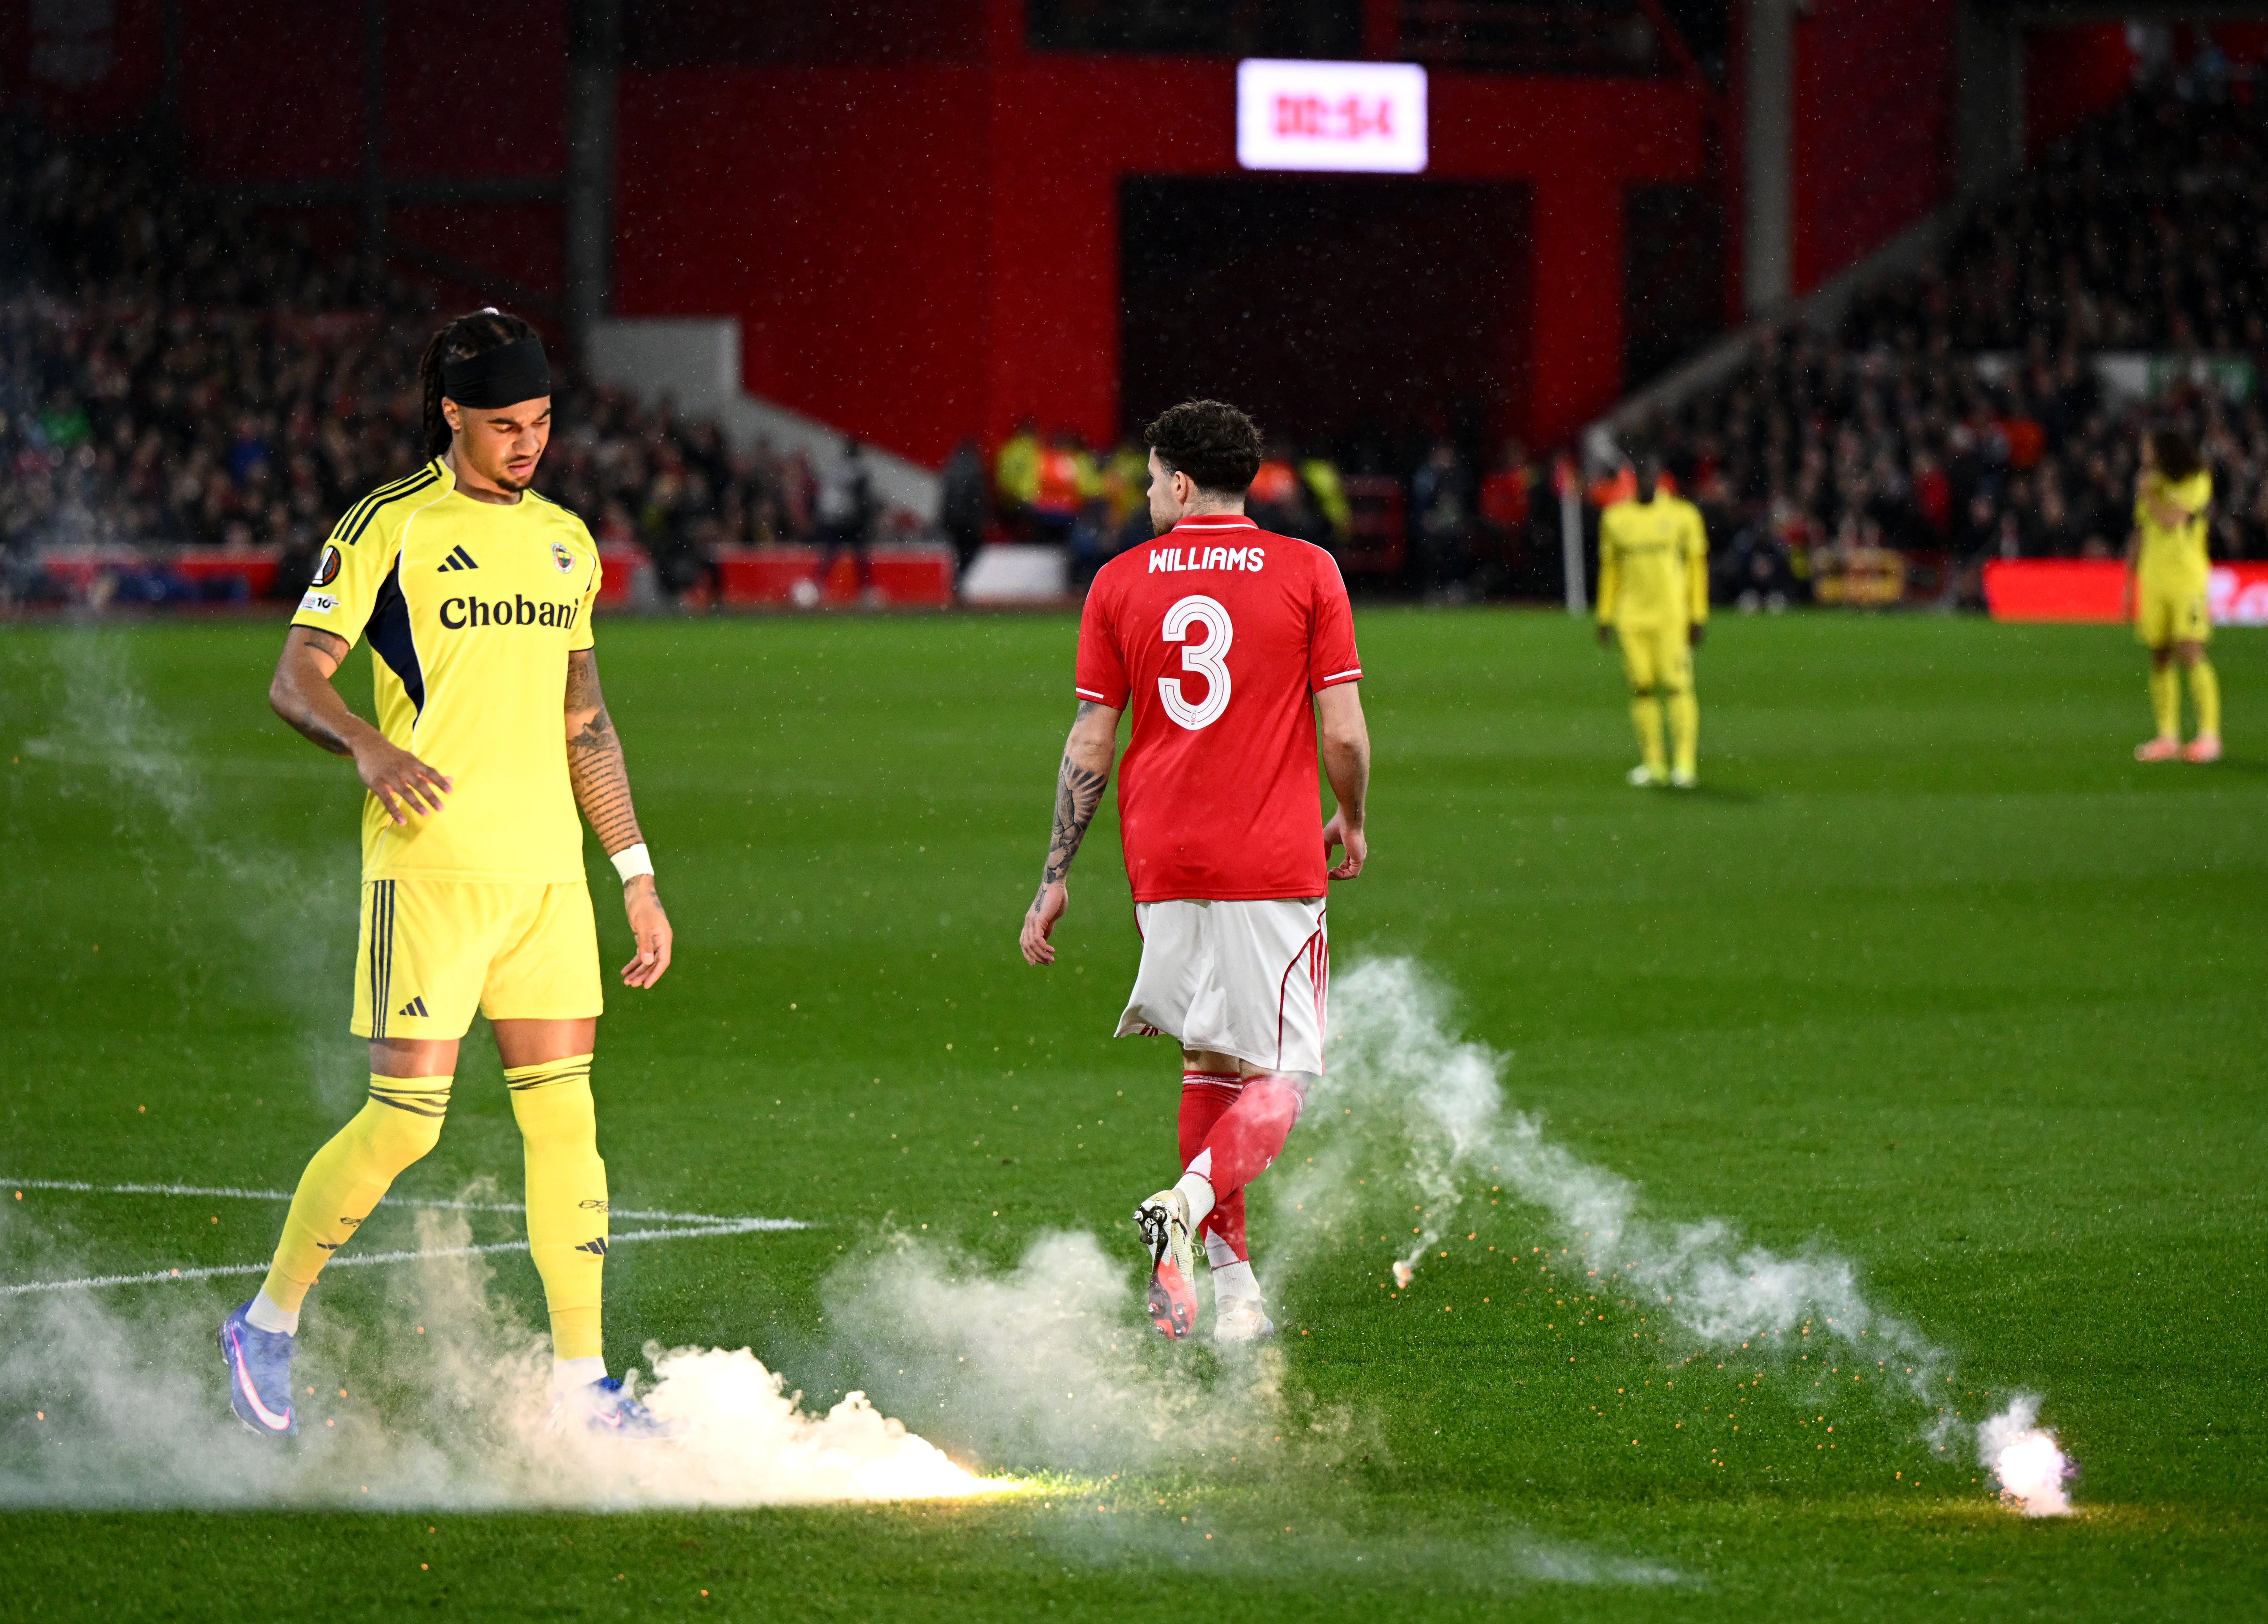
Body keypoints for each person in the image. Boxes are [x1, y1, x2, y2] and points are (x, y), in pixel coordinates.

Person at [219, 309, 676, 1439]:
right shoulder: (389, 525)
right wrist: (368, 746)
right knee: (406, 1121)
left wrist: (634, 872)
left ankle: (582, 1383)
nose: (530, 443)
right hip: (429, 875)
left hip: (547, 888)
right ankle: (267, 1321)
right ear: (454, 416)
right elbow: (295, 679)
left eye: (543, 422)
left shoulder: (568, 541)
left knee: (567, 1118)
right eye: (508, 424)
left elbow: (588, 724)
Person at [1017, 399, 1370, 1344]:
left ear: (1179, 482)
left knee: (1210, 1065)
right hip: (1269, 857)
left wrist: (1056, 873)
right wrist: (1353, 816)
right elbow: (1340, 728)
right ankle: (1186, 1200)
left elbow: (1091, 739)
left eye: (1146, 479)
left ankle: (1234, 1294)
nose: (1140, 494)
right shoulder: (1306, 569)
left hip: (1161, 862)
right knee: (1284, 1075)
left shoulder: (1118, 582)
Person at [1597, 453, 1709, 788]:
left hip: (1670, 616)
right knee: (1641, 687)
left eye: (1650, 475)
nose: (1645, 482)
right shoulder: (1616, 518)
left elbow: (1695, 566)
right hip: (1630, 617)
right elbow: (1610, 570)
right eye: (1639, 476)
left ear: (1659, 478)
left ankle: (1685, 765)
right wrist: (1604, 615)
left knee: (1676, 685)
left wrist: (1697, 613)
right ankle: (1653, 763)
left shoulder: (1681, 515)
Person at [2127, 428, 2221, 762]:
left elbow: (2171, 520)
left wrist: (2149, 495)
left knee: (2191, 651)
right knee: (2160, 655)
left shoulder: (2195, 480)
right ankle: (2167, 737)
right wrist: (2129, 580)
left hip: (2186, 580)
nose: (2142, 452)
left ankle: (2209, 736)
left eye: (2147, 445)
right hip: (2154, 580)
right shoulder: (2149, 483)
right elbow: (2140, 531)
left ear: (2164, 450)